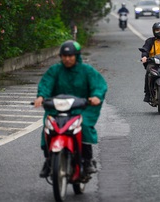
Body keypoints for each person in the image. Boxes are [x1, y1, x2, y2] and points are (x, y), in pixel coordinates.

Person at [34, 40, 108, 178]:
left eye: (71, 56)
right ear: (61, 57)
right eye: (64, 56)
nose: (67, 59)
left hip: (82, 108)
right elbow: (46, 84)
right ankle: (49, 160)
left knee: (84, 125)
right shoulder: (55, 70)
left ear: (77, 56)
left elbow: (99, 84)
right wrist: (41, 96)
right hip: (58, 109)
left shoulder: (86, 70)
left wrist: (96, 96)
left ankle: (87, 161)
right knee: (48, 127)